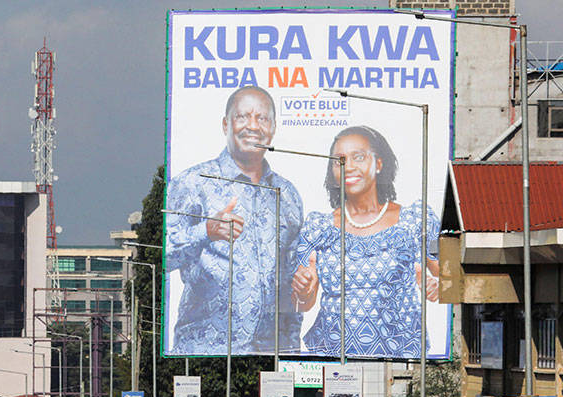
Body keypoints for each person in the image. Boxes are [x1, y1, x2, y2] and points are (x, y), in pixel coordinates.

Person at [166, 85, 304, 354]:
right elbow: (162, 257)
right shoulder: (193, 183)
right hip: (206, 352)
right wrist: (206, 230)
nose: (253, 126)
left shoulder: (287, 194)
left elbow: (293, 276)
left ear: (273, 128)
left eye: (262, 118)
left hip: (275, 354)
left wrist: (306, 288)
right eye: (243, 117)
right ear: (225, 124)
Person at [291, 126, 439, 358]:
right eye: (338, 160)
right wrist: (303, 291)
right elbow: (303, 304)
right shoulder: (318, 227)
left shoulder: (416, 221)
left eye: (358, 157)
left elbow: (448, 274)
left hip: (399, 361)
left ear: (379, 164)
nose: (348, 166)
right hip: (330, 360)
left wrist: (437, 285)